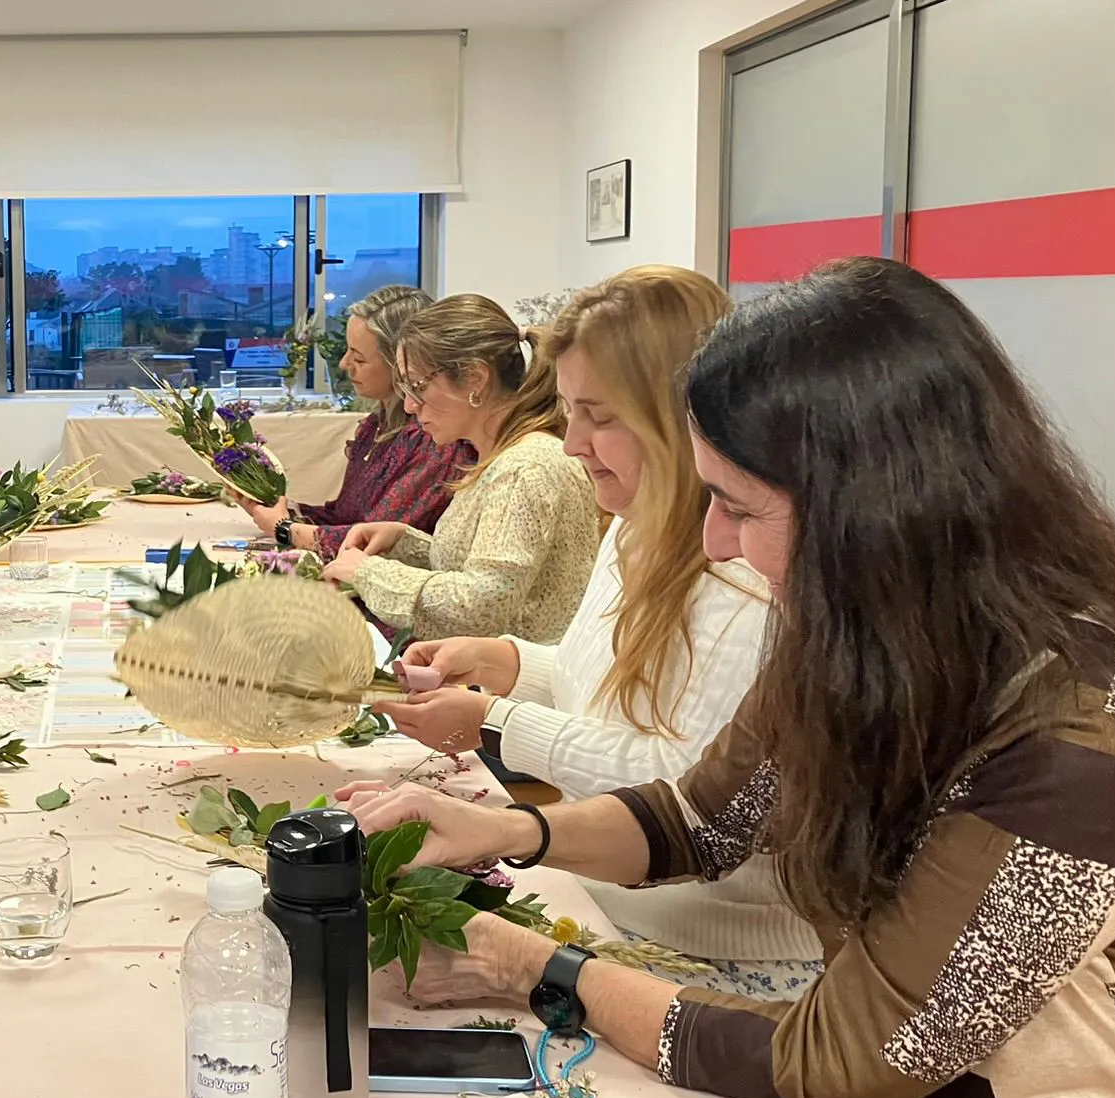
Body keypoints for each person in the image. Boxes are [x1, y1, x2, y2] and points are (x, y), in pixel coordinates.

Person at [340, 258, 1115, 1098]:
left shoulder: (1080, 736)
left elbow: (841, 1059)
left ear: (877, 507)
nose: (715, 543)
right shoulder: (874, 638)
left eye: (739, 507)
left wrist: (537, 968)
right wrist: (501, 829)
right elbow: (700, 818)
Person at [383, 267, 820, 995]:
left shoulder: (751, 577)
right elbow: (610, 690)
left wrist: (496, 720)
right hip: (609, 895)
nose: (572, 443)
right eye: (567, 412)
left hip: (714, 949)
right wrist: (507, 662)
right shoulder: (632, 526)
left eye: (600, 417)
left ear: (683, 419)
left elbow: (685, 795)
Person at [321, 292, 597, 642]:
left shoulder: (525, 467)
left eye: (417, 386)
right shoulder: (502, 457)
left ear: (475, 378)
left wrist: (368, 573)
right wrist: (404, 541)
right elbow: (483, 568)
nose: (409, 406)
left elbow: (481, 606)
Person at [235, 285, 470, 559]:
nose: (345, 364)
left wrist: (286, 529)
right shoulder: (377, 426)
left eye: (359, 358)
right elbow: (343, 517)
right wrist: (274, 506)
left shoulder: (435, 441)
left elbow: (373, 543)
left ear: (401, 364)